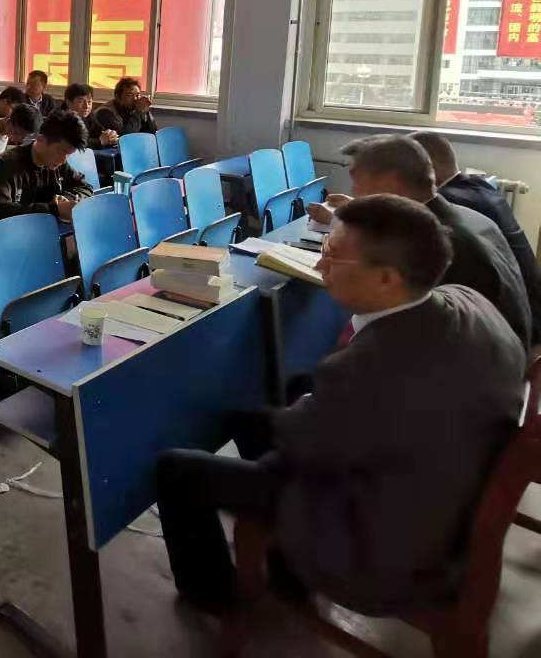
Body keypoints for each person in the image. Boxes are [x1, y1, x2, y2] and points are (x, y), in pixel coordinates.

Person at [155, 194, 526, 617]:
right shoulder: (470, 301)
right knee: (277, 402)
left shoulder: (363, 368)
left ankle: (215, 597)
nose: (319, 265)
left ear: (386, 279)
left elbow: (303, 439)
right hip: (440, 490)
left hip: (381, 548)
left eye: (332, 256)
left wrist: (304, 411)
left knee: (177, 469)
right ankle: (285, 572)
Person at [308, 135, 530, 345]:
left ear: (389, 181)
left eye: (356, 178)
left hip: (473, 360)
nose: (354, 191)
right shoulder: (467, 216)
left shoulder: (431, 241)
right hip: (507, 346)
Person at [412, 130, 541, 339]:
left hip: (512, 329)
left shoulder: (450, 206)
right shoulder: (481, 188)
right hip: (527, 307)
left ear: (429, 168)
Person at [0, 112, 93, 223]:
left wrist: (67, 199)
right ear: (40, 139)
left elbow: (85, 187)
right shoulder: (6, 164)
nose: (63, 160)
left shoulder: (58, 163)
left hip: (40, 229)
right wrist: (53, 209)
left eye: (68, 155)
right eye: (61, 152)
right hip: (2, 232)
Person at [93, 77, 157, 138]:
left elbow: (153, 131)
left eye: (137, 95)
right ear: (117, 97)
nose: (135, 99)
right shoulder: (104, 112)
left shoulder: (133, 109)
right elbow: (124, 136)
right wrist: (137, 112)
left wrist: (146, 111)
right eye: (130, 95)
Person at [62, 83, 115, 147]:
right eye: (81, 102)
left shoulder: (89, 117)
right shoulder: (60, 120)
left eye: (89, 102)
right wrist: (100, 141)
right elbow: (74, 143)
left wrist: (110, 135)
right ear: (69, 103)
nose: (86, 106)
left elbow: (101, 133)